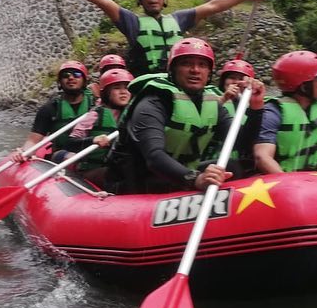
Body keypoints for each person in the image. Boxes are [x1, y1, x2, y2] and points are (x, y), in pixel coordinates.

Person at [105, 38, 265, 195]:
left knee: (234, 167)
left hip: (179, 176)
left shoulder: (210, 102)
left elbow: (243, 143)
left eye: (202, 65)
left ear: (209, 72)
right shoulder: (153, 102)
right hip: (137, 182)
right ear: (173, 69)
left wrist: (256, 108)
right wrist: (196, 179)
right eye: (186, 63)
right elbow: (154, 156)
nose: (195, 70)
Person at [44, 0, 274, 77]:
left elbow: (214, 6)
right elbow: (102, 1)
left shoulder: (179, 19)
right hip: (145, 85)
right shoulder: (131, 22)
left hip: (177, 83)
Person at [254, 50, 317, 174]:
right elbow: (262, 157)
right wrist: (289, 184)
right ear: (304, 86)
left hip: (307, 180)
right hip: (279, 180)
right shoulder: (274, 112)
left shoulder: (315, 112)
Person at [12, 60, 96, 162]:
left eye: (76, 74)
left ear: (84, 80)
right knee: (71, 157)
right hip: (61, 154)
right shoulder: (50, 108)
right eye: (66, 75)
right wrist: (24, 152)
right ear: (60, 82)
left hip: (92, 153)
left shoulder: (96, 105)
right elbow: (33, 141)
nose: (71, 77)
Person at [63, 68, 134, 187]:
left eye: (126, 88)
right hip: (92, 170)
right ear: (106, 93)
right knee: (116, 174)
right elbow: (70, 143)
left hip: (120, 166)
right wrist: (93, 140)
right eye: (117, 88)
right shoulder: (95, 114)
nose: (123, 92)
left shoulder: (135, 114)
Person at [204, 59, 258, 172]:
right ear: (223, 80)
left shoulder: (254, 102)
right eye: (232, 77)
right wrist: (224, 98)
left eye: (241, 79)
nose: (236, 82)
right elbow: (204, 113)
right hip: (212, 158)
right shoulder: (209, 94)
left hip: (240, 158)